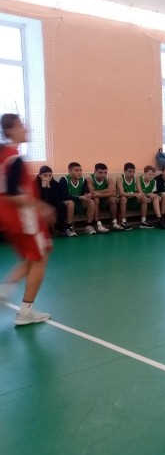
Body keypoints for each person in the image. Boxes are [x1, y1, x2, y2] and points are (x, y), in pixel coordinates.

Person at [0, 114, 53, 325]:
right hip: (25, 219)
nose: (26, 128)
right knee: (40, 259)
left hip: (10, 219)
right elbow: (12, 194)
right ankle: (25, 312)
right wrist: (40, 206)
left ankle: (5, 290)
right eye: (21, 125)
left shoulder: (4, 155)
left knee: (30, 259)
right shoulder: (14, 159)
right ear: (10, 130)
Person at [60, 162, 95, 236]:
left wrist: (88, 195)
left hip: (79, 202)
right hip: (68, 204)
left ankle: (88, 226)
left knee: (91, 202)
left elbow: (84, 193)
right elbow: (64, 196)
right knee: (70, 202)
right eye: (76, 170)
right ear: (69, 171)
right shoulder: (64, 179)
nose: (79, 172)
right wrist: (79, 197)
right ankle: (69, 227)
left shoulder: (83, 180)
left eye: (80, 170)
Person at [35, 165, 69, 237]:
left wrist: (49, 187)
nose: (48, 177)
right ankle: (46, 229)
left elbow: (58, 197)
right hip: (40, 204)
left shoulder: (55, 184)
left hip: (52, 202)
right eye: (45, 175)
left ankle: (61, 229)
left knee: (61, 206)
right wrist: (43, 187)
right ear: (40, 175)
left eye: (50, 175)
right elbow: (38, 198)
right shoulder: (34, 184)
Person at [116, 162, 147, 230]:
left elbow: (140, 192)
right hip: (121, 200)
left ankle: (143, 221)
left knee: (144, 198)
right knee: (123, 198)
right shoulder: (119, 178)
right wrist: (136, 194)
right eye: (130, 171)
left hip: (132, 199)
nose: (132, 173)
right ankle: (123, 221)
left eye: (133, 171)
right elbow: (121, 193)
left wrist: (140, 194)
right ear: (124, 171)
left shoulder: (136, 178)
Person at [86, 162, 114, 233]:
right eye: (101, 172)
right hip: (94, 202)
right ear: (95, 171)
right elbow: (92, 192)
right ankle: (97, 223)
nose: (103, 175)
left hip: (104, 200)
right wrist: (107, 190)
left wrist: (99, 194)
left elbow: (113, 192)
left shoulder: (109, 179)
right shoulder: (89, 178)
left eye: (105, 172)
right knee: (96, 199)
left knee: (112, 199)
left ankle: (114, 222)